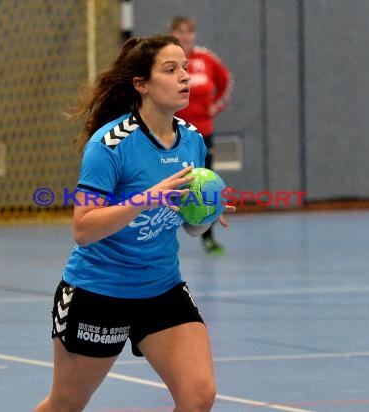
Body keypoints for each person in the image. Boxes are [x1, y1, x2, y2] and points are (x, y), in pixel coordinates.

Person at [34, 35, 235, 412]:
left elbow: (182, 220)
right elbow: (84, 227)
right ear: (141, 84)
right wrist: (148, 197)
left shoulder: (191, 140)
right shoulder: (109, 144)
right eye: (170, 70)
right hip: (99, 292)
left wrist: (202, 212)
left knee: (198, 396)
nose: (185, 78)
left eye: (186, 69)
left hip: (161, 289)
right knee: (66, 403)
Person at [169, 16, 233, 256]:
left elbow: (226, 81)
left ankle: (208, 236)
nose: (185, 36)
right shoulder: (168, 61)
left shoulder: (206, 59)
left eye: (189, 32)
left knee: (205, 184)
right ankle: (162, 235)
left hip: (203, 133)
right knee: (173, 183)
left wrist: (215, 107)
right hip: (174, 134)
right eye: (180, 31)